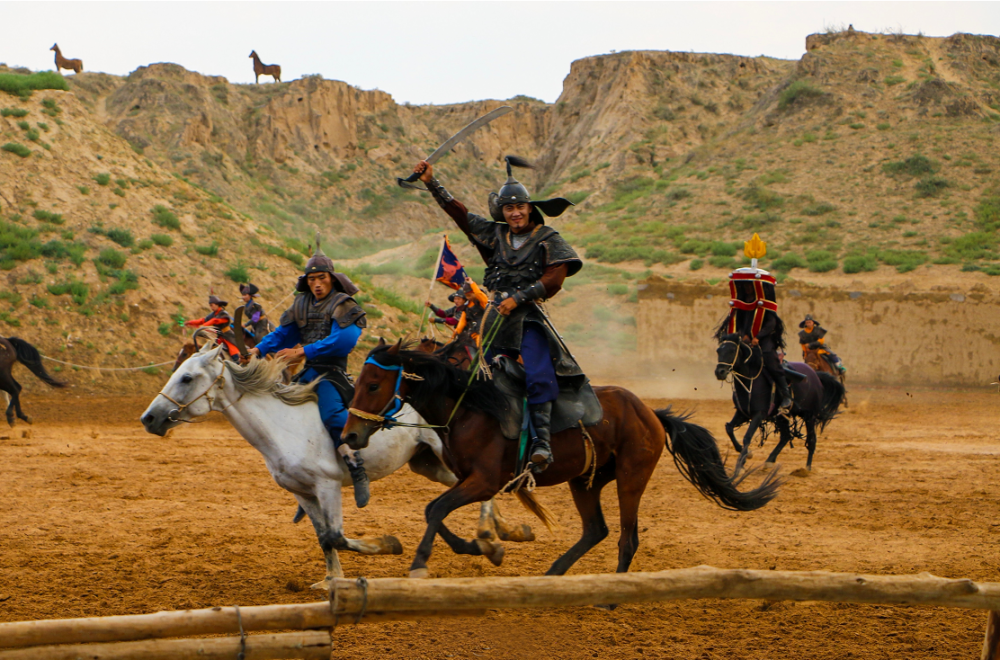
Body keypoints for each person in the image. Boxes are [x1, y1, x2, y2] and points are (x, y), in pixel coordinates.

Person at [415, 155, 588, 472]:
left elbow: (555, 278)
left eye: (519, 207)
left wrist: (520, 297)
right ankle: (490, 445)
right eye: (509, 208)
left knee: (538, 376)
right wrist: (431, 183)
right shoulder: (496, 235)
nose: (515, 213)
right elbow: (462, 216)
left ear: (529, 207)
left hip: (528, 321)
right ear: (502, 211)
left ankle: (542, 444)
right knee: (482, 379)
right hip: (494, 321)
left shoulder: (548, 239)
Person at [245, 236, 371, 507]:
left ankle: (356, 466)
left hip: (331, 374)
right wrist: (256, 351)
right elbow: (283, 334)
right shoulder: (300, 304)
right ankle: (305, 478)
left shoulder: (344, 304)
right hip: (308, 373)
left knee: (333, 415)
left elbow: (344, 341)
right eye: (312, 279)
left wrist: (302, 352)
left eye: (322, 278)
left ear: (332, 278)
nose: (317, 283)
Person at [716, 268, 792, 412]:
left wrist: (758, 337)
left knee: (771, 363)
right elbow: (741, 321)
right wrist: (743, 334)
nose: (747, 288)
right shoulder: (743, 303)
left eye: (750, 285)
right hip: (747, 340)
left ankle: (786, 396)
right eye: (745, 285)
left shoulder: (766, 304)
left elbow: (771, 324)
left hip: (764, 341)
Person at [184, 295, 240, 360]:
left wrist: (203, 326)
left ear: (217, 304)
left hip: (228, 336)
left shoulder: (223, 313)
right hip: (219, 337)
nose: (211, 307)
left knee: (234, 353)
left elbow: (215, 320)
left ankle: (238, 363)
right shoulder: (213, 314)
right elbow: (202, 320)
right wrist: (190, 322)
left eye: (212, 305)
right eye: (210, 305)